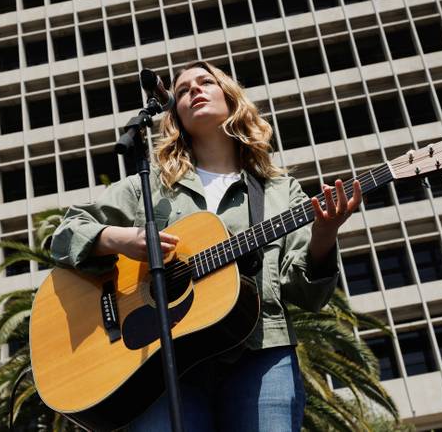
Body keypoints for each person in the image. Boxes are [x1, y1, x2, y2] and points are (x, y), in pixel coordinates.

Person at [50, 60, 361, 431]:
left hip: (260, 351)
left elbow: (306, 293)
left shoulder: (280, 191)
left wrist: (325, 234)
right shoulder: (149, 188)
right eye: (182, 90)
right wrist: (121, 238)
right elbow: (65, 232)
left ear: (231, 98)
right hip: (160, 363)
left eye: (205, 82)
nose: (194, 90)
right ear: (176, 114)